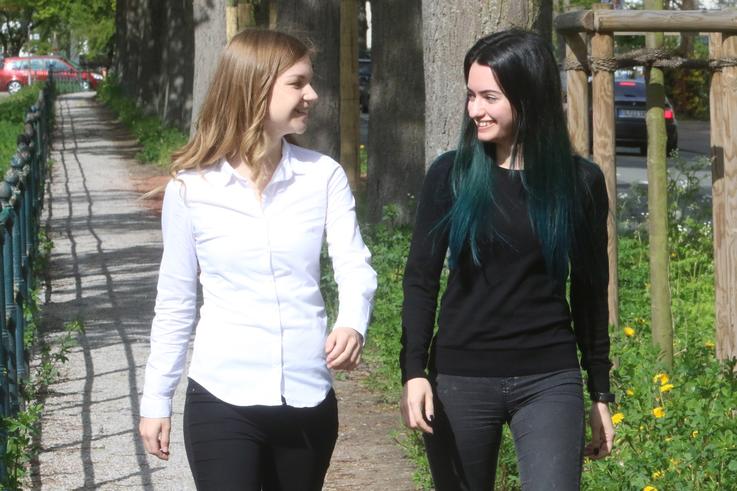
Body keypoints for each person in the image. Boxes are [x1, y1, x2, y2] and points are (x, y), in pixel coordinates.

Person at [138, 28, 377, 491]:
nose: (312, 94)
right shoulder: (192, 190)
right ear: (255, 87)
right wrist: (156, 399)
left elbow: (354, 263)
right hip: (221, 398)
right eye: (298, 82)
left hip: (307, 399)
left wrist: (353, 321)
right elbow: (176, 301)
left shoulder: (322, 177)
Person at [400, 29, 615, 490]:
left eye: (489, 97)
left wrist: (600, 391)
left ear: (528, 95)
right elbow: (420, 280)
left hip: (549, 380)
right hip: (459, 379)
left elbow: (591, 292)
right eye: (471, 95)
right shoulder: (449, 176)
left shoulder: (580, 183)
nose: (475, 109)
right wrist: (413, 372)